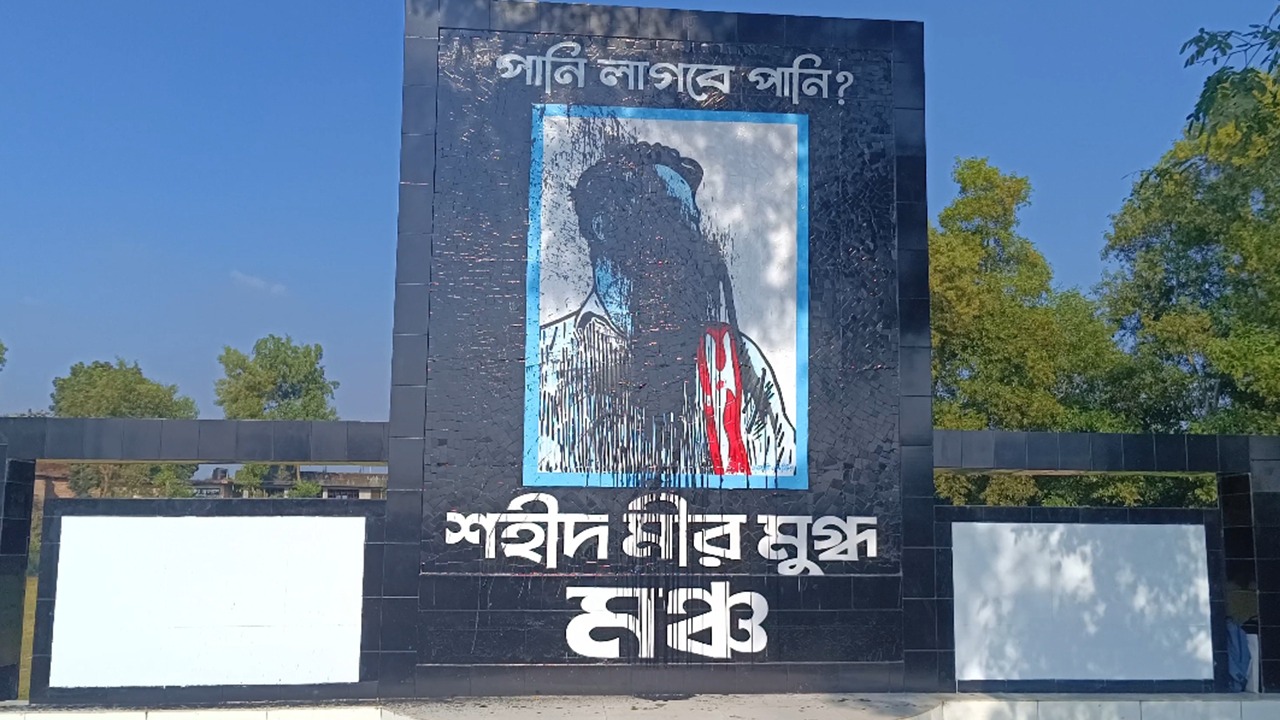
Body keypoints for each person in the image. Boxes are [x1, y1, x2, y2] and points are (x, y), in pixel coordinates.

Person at [536, 141, 795, 481]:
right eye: (669, 214)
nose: (691, 240)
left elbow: (784, 476)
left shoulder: (735, 358)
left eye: (691, 222)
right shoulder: (547, 357)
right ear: (605, 226)